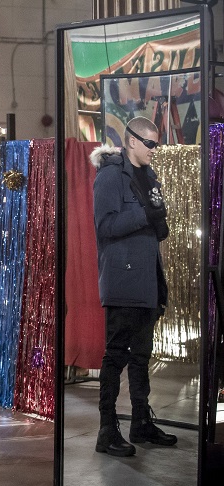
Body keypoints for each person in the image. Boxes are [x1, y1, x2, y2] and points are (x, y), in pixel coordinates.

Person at [90, 116, 177, 458]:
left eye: (156, 144)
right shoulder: (111, 175)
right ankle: (106, 431)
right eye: (150, 143)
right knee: (116, 357)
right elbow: (105, 226)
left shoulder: (149, 176)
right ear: (132, 141)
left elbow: (153, 227)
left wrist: (159, 222)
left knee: (141, 356)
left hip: (148, 279)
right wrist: (146, 215)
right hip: (123, 280)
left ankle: (140, 422)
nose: (154, 149)